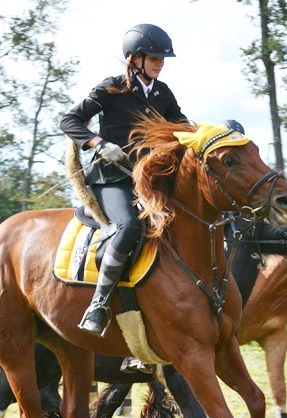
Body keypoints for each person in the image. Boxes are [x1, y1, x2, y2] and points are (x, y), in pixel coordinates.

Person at [60, 24, 187, 370]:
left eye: (163, 58)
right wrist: (99, 143)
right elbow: (69, 120)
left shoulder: (162, 94)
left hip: (146, 182)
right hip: (110, 179)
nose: (161, 63)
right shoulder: (110, 89)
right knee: (130, 226)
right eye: (155, 57)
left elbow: (183, 127)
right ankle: (98, 305)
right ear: (134, 59)